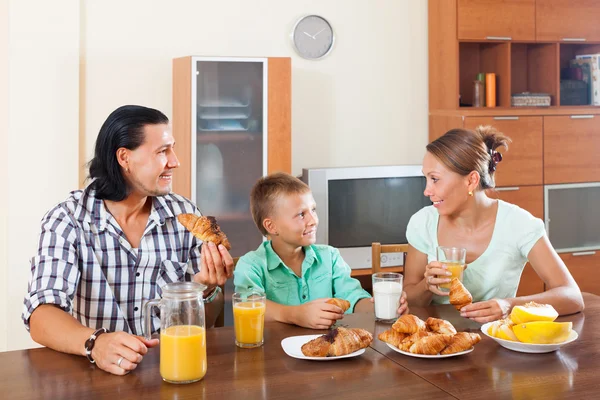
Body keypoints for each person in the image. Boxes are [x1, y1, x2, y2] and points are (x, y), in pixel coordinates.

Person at [22, 105, 234, 375]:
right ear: (124, 157)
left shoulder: (185, 216)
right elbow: (41, 315)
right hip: (97, 373)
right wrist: (95, 343)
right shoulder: (67, 220)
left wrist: (204, 289)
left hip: (172, 368)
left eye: (172, 149)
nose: (175, 161)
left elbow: (207, 320)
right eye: (162, 151)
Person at [403, 126, 584, 323]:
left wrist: (509, 305)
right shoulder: (423, 223)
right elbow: (409, 298)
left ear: (471, 180)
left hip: (497, 345)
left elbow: (572, 296)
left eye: (435, 179)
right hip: (436, 342)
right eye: (426, 178)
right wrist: (426, 286)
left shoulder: (518, 224)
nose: (427, 191)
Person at [233, 172, 408, 329]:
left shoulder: (329, 257)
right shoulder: (251, 265)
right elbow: (249, 304)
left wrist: (379, 305)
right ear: (271, 226)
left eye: (313, 210)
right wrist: (296, 315)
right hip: (276, 357)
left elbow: (352, 296)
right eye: (301, 214)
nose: (313, 220)